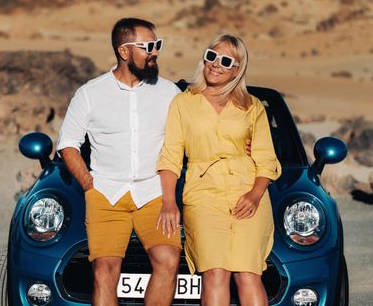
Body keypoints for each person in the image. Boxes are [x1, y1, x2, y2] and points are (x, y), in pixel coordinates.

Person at [57, 18, 182, 306]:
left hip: (154, 194)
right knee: (104, 271)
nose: (155, 52)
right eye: (148, 46)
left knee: (168, 260)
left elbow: (192, 134)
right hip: (106, 195)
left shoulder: (169, 92)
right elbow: (68, 145)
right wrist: (90, 186)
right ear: (124, 51)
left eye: (157, 45)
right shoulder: (90, 94)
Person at [156, 34, 282, 305]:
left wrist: (255, 194)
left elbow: (266, 158)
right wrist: (168, 201)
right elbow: (171, 156)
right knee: (214, 273)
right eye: (211, 55)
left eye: (226, 61)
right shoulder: (183, 102)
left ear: (237, 70)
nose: (216, 64)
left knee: (248, 274)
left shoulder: (252, 106)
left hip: (248, 193)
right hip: (203, 195)